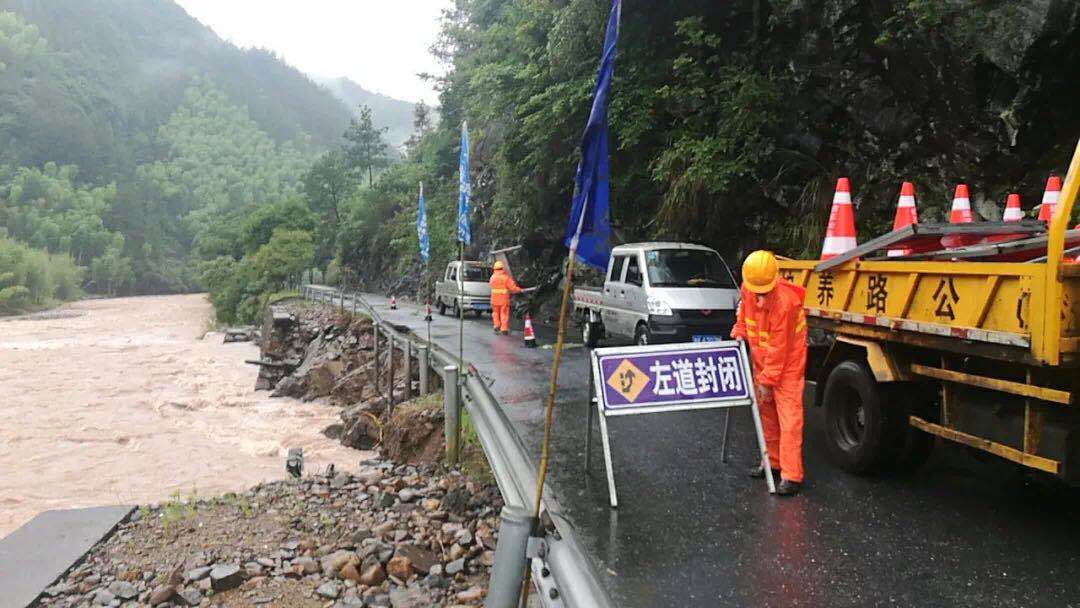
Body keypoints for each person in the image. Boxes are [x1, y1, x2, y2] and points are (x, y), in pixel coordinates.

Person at [730, 250, 808, 496]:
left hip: (787, 368)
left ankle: (791, 476)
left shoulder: (786, 303)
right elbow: (745, 317)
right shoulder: (749, 288)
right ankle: (772, 463)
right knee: (767, 415)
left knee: (789, 421)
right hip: (763, 363)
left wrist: (767, 381)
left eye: (763, 291)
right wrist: (738, 334)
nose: (759, 295)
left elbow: (779, 348)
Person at [489, 261, 522, 335]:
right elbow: (513, 288)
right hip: (503, 299)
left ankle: (496, 325)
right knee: (504, 313)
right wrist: (519, 290)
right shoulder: (505, 278)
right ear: (502, 268)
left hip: (494, 299)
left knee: (495, 313)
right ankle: (504, 328)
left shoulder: (492, 278)